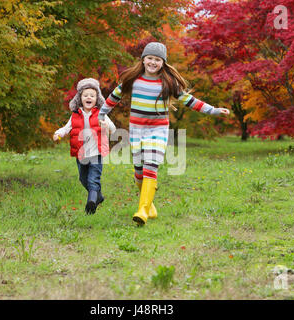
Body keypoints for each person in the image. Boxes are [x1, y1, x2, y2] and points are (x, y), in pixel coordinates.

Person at [98, 42, 230, 225]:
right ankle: (149, 204)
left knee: (151, 166)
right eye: (150, 58)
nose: (153, 62)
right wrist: (102, 113)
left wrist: (213, 110)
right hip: (136, 130)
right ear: (143, 60)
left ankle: (142, 211)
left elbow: (189, 100)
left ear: (163, 62)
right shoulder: (132, 80)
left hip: (157, 130)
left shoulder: (168, 82)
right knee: (138, 172)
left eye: (157, 60)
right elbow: (114, 96)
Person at [54, 78, 116, 214]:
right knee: (83, 179)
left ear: (97, 99)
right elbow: (67, 128)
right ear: (80, 98)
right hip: (81, 154)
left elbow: (113, 129)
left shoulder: (101, 114)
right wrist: (59, 133)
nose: (89, 97)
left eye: (92, 96)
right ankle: (98, 196)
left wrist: (105, 126)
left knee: (93, 179)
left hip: (96, 153)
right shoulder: (75, 115)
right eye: (85, 95)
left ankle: (91, 202)